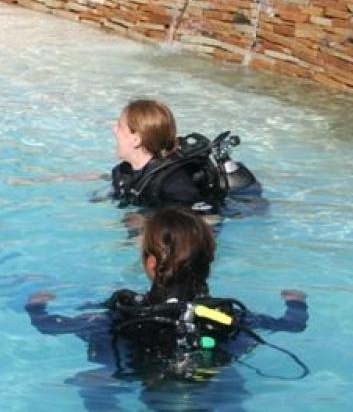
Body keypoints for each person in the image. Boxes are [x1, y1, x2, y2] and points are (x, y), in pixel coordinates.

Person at [25, 206, 307, 410]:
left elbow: (51, 327)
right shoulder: (223, 314)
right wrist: (296, 302)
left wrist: (36, 308)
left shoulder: (125, 313)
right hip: (206, 380)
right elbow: (292, 325)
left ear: (150, 264)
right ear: (208, 262)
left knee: (91, 381)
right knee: (230, 383)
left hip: (145, 376)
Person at [109, 99, 260, 214]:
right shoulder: (122, 171)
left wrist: (147, 223)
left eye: (120, 126)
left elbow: (206, 220)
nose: (114, 129)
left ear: (136, 140)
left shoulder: (174, 185)